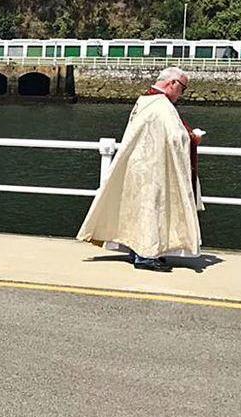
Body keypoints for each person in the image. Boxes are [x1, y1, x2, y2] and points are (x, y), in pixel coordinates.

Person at [77, 67, 203, 272]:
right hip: (155, 168)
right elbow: (175, 137)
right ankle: (146, 255)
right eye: (183, 88)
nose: (182, 94)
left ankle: (141, 251)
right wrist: (193, 137)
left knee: (140, 210)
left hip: (137, 165)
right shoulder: (162, 106)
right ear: (172, 83)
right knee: (153, 210)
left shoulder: (145, 100)